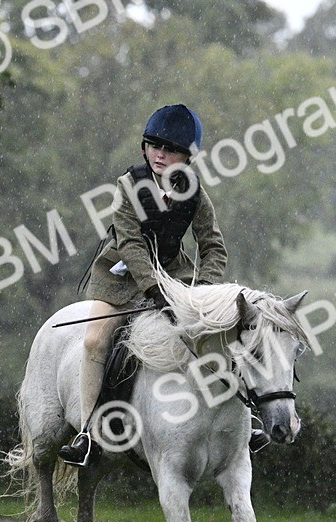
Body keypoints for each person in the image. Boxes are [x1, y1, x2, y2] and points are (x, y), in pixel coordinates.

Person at [58, 104, 228, 466]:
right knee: (94, 340)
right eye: (154, 146)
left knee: (219, 331)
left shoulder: (196, 195)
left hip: (175, 278)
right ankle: (88, 433)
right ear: (144, 148)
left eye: (170, 149)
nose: (160, 154)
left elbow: (213, 247)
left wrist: (203, 293)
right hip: (120, 278)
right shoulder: (129, 185)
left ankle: (242, 423)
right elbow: (131, 244)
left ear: (188, 157)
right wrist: (153, 290)